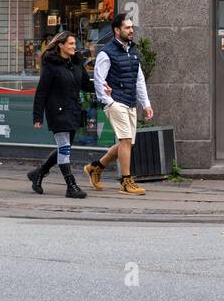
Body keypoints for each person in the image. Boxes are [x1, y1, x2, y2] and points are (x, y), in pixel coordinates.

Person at [83, 13, 152, 195]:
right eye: (127, 27)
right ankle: (126, 182)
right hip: (116, 102)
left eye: (131, 27)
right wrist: (110, 102)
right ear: (117, 30)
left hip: (130, 102)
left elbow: (139, 80)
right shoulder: (106, 53)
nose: (131, 30)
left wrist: (146, 104)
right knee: (126, 140)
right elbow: (98, 80)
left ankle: (95, 167)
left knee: (126, 143)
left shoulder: (133, 51)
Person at [28, 31, 87, 199]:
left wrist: (102, 88)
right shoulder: (51, 65)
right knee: (65, 149)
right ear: (60, 45)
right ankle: (71, 185)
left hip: (73, 111)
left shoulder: (76, 63)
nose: (74, 47)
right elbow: (41, 92)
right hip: (58, 112)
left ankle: (39, 173)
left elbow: (84, 84)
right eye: (70, 44)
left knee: (65, 148)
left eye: (75, 44)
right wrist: (37, 116)